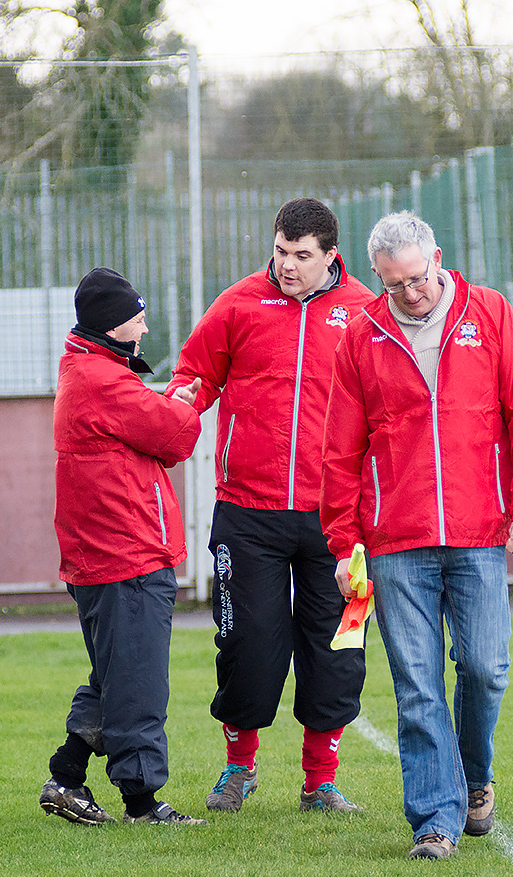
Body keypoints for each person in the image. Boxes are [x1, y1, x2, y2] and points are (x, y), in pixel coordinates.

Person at [320, 212, 513, 859]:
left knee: (485, 668)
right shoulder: (362, 336)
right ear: (379, 277)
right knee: (417, 685)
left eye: (419, 279)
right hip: (396, 542)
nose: (412, 294)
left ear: (438, 259)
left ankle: (475, 776)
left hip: (481, 531)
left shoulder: (493, 315)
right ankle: (435, 819)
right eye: (396, 285)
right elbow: (339, 450)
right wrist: (344, 543)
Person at [165, 198, 376, 814]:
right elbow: (194, 375)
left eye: (301, 256)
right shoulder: (236, 304)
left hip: (343, 521)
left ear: (330, 255)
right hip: (247, 514)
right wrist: (174, 411)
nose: (287, 265)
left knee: (340, 648)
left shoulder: (367, 313)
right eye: (281, 251)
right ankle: (239, 767)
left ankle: (322, 781)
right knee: (247, 648)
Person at [39, 267, 206, 827]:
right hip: (125, 555)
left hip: (104, 555)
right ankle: (142, 802)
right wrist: (186, 400)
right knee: (137, 684)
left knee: (114, 674)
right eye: (136, 316)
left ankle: (65, 779)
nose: (144, 324)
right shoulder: (103, 381)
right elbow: (176, 436)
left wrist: (164, 401)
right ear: (113, 326)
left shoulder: (89, 372)